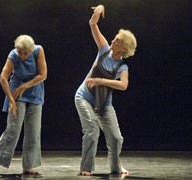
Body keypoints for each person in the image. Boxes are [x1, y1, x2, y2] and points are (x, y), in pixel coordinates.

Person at [74, 5, 137, 176]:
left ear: (122, 47)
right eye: (114, 38)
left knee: (116, 138)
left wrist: (101, 80)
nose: (112, 41)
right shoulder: (103, 50)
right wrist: (100, 9)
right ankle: (86, 168)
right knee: (92, 129)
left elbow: (123, 85)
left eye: (116, 40)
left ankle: (116, 168)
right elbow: (93, 25)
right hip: (84, 98)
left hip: (103, 104)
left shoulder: (122, 66)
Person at [0, 34, 47, 175]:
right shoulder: (13, 55)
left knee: (33, 132)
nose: (23, 56)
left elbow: (43, 75)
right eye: (20, 52)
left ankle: (28, 166)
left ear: (31, 50)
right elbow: (2, 78)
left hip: (35, 93)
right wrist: (11, 100)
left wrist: (25, 86)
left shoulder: (38, 50)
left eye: (26, 53)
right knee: (13, 130)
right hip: (16, 94)